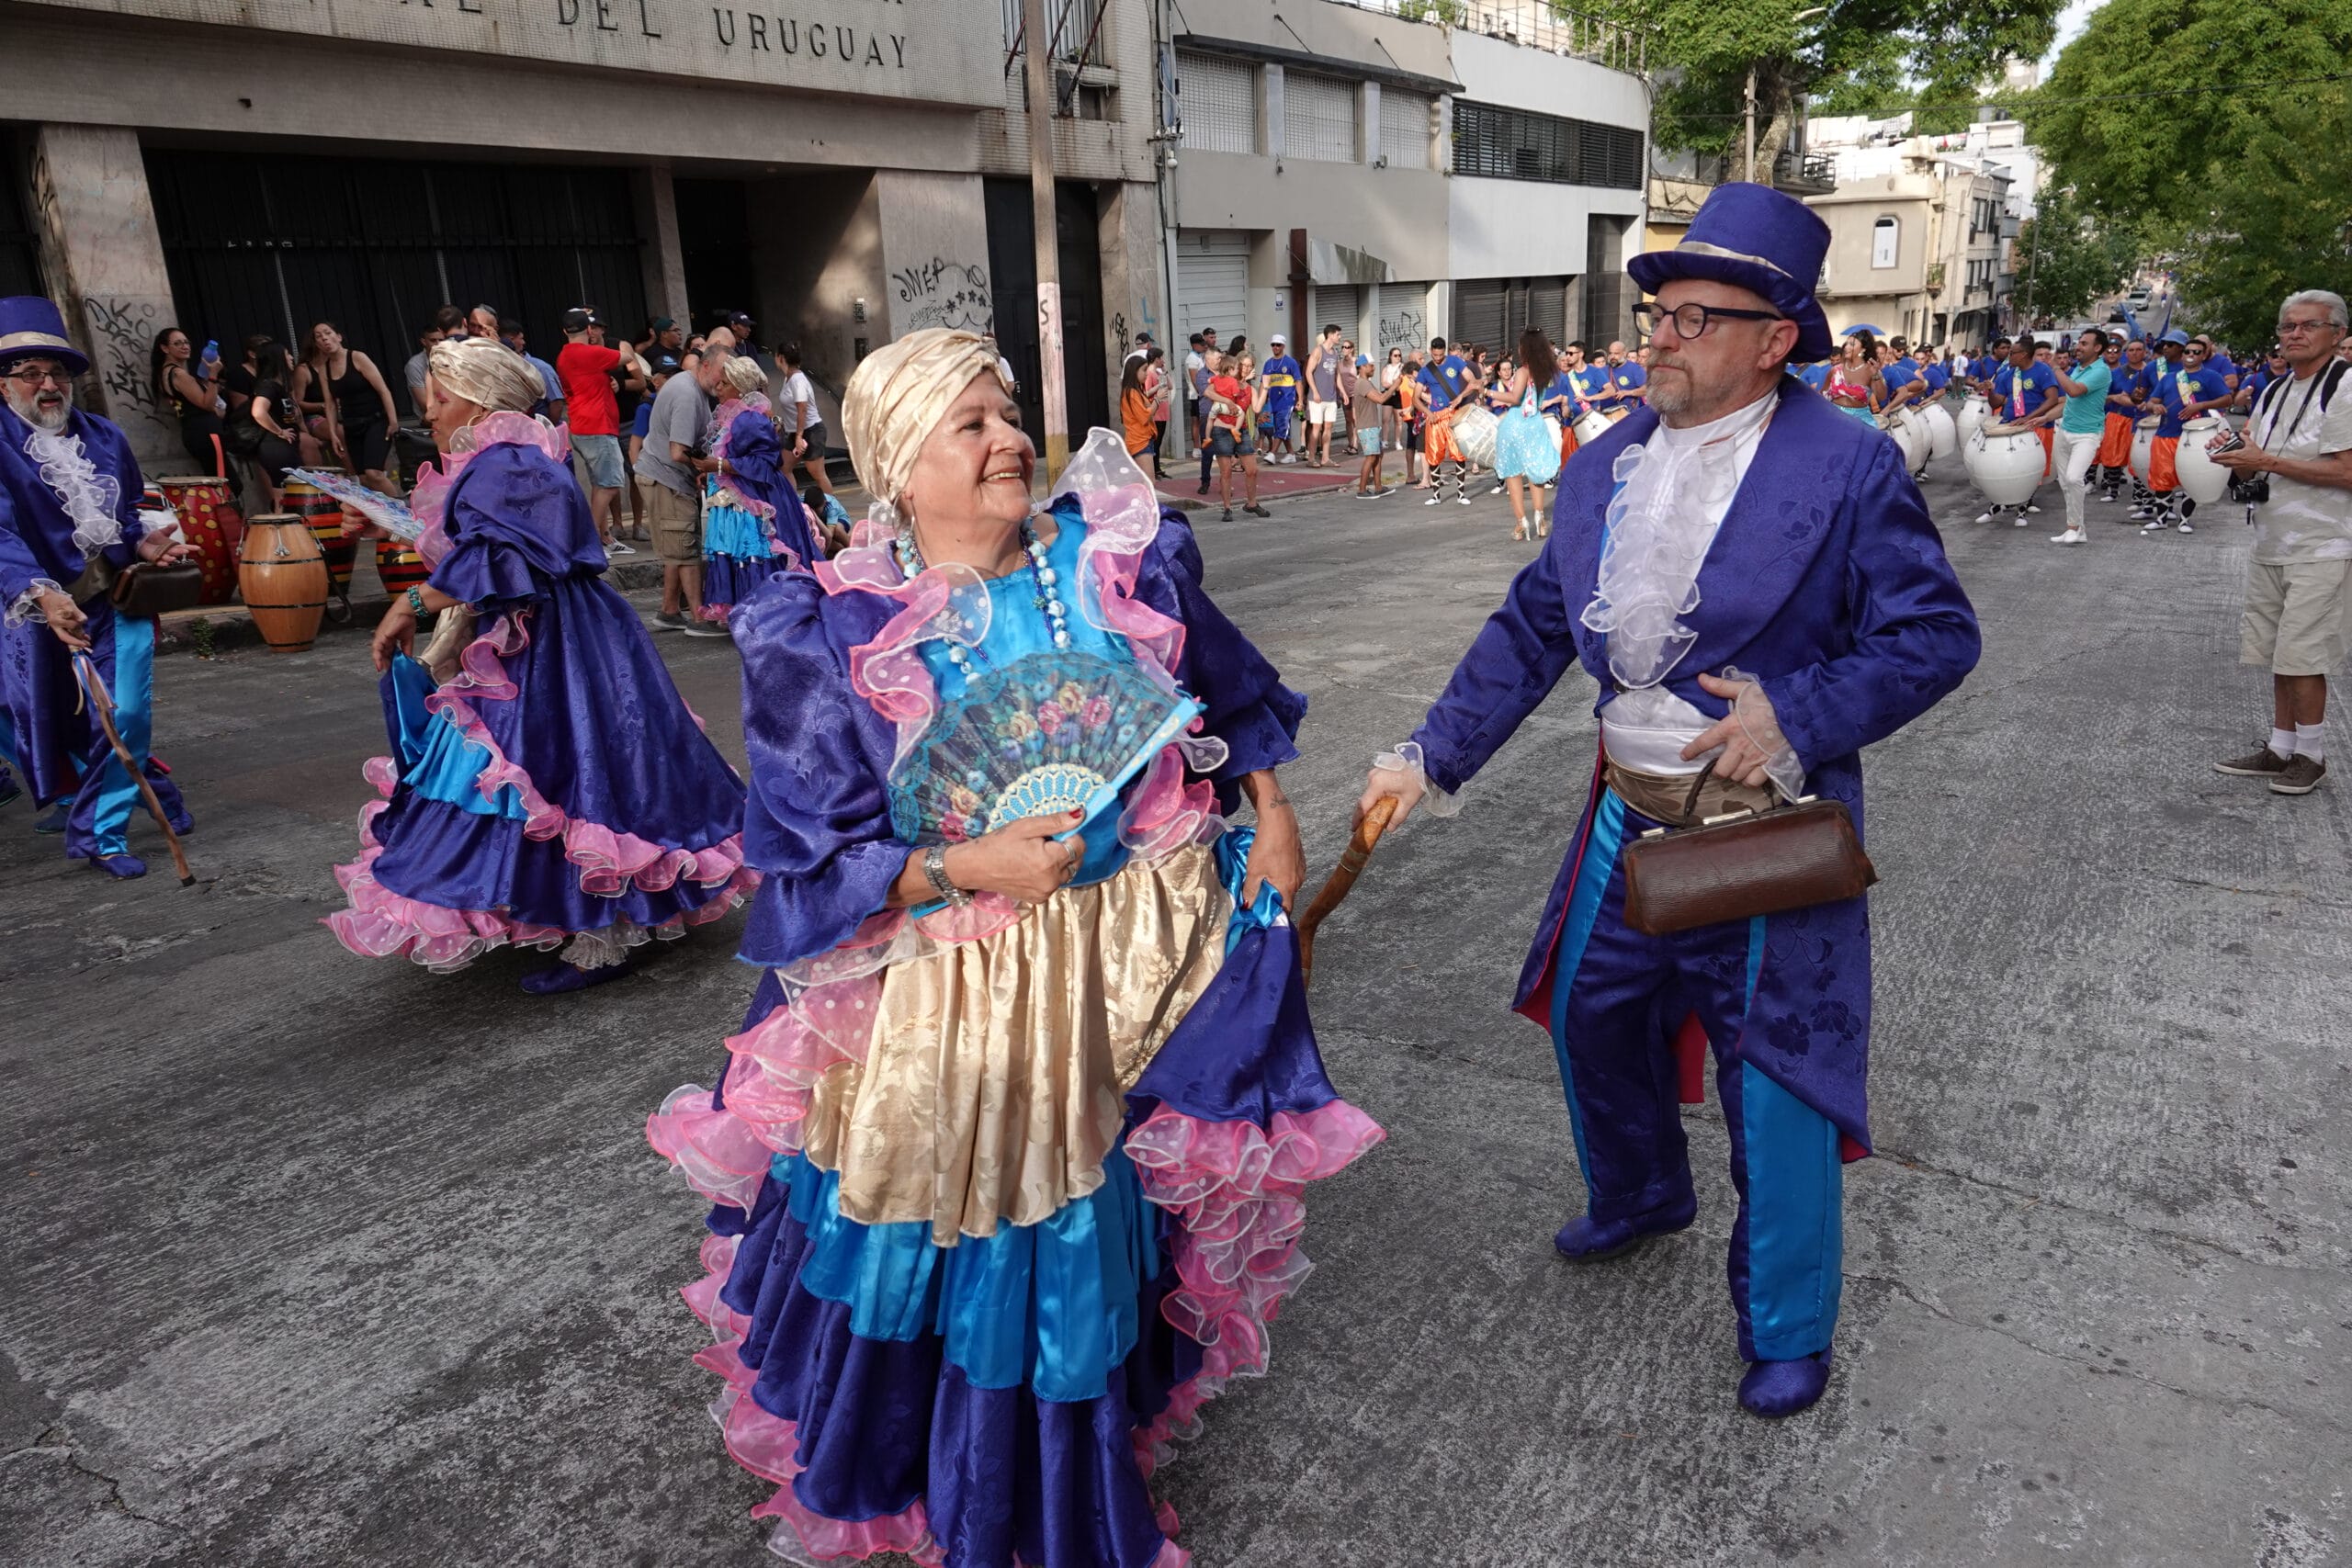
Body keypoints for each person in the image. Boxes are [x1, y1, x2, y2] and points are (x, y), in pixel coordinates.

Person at [643, 327, 1377, 1566]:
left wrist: (1276, 815)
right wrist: (964, 866)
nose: (1010, 441)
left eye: (1009, 414)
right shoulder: (830, 631)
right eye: (971, 424)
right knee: (991, 1221)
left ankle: (1092, 1430)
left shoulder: (1115, 559)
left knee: (1116, 1201)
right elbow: (812, 862)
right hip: (954, 989)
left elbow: (1227, 697)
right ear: (899, 466)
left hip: (1136, 956)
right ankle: (989, 1482)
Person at [1356, 185, 1981, 1419]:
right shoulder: (1602, 464)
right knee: (1589, 1014)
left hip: (1762, 831)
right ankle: (1642, 1191)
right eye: (1657, 314)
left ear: (1775, 339)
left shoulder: (1847, 465)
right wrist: (1430, 753)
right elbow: (1535, 625)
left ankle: (1786, 1323)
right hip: (1625, 812)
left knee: (1775, 1080)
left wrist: (1795, 713)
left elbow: (1935, 636)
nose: (1661, 337)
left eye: (1697, 318)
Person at [328, 335, 753, 988]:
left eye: (440, 398)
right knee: (577, 772)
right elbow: (493, 552)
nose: (429, 412)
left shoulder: (509, 463)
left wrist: (410, 602)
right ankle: (583, 915)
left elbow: (509, 560)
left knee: (572, 775)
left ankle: (600, 933)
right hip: (549, 632)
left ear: (480, 402)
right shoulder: (512, 458)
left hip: (555, 641)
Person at [0, 295, 199, 878]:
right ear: (3, 383)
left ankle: (99, 834)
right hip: (35, 609)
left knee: (125, 711)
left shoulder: (106, 436)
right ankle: (157, 793)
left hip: (118, 600)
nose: (48, 385)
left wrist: (148, 545)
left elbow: (129, 513)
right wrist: (42, 592)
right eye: (30, 372)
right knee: (62, 721)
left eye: (58, 372)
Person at [2211, 291, 2352, 795]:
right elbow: (2256, 463)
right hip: (2272, 540)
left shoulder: (2345, 386)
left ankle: (2310, 756)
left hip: (2323, 545)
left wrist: (2266, 462)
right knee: (2277, 653)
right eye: (2287, 326)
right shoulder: (2274, 389)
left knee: (2303, 655)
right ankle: (2280, 747)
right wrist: (2234, 456)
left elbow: (2347, 471)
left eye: (2308, 325)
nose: (2294, 334)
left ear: (2337, 334)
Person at [698, 354, 819, 627]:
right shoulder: (736, 417)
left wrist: (718, 464)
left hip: (752, 499)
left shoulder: (749, 419)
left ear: (741, 387)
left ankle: (762, 611)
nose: (718, 388)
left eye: (724, 383)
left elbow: (765, 462)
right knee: (736, 551)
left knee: (754, 549)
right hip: (733, 499)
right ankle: (745, 611)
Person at [635, 335, 727, 631]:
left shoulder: (693, 388)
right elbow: (678, 452)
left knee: (677, 546)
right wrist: (705, 467)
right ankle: (699, 617)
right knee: (686, 549)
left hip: (666, 475)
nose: (724, 381)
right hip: (666, 476)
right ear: (706, 365)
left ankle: (669, 610)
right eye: (722, 373)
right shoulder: (687, 394)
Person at [555, 307, 633, 556]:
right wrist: (618, 344)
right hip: (598, 426)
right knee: (609, 485)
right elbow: (626, 357)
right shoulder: (591, 352)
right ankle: (591, 540)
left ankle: (604, 536)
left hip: (581, 425)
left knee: (600, 484)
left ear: (565, 331)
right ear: (589, 330)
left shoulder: (563, 356)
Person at [300, 321, 403, 498]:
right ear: (317, 345)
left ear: (339, 337)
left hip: (375, 420)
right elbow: (330, 404)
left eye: (328, 333)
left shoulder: (357, 357)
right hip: (352, 425)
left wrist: (393, 420)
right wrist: (333, 433)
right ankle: (384, 511)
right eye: (319, 336)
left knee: (374, 473)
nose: (324, 338)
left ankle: (403, 508)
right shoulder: (324, 369)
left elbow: (383, 390)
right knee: (363, 478)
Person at [2142, 335, 2231, 536]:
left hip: (2194, 435)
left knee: (2190, 478)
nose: (2191, 355)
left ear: (2203, 355)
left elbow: (2227, 399)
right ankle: (2161, 519)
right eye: (2187, 352)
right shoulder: (2169, 378)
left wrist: (2201, 405)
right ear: (2182, 355)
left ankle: (2184, 520)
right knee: (2162, 478)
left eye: (2196, 352)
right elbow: (2151, 401)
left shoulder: (2211, 376)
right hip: (2166, 434)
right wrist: (2155, 407)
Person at [1492, 328, 1564, 539]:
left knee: (1513, 473)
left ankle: (1521, 522)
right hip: (1536, 423)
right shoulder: (1546, 371)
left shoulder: (1523, 372)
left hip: (1516, 423)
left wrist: (1487, 391)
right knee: (1536, 471)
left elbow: (1515, 398)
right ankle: (1540, 517)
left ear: (1524, 348)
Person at [1979, 339, 2060, 525]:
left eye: (2012, 353)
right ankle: (1996, 506)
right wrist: (1991, 391)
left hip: (2035, 426)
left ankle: (2021, 512)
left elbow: (2052, 399)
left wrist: (2029, 418)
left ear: (2023, 355)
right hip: (2011, 424)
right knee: (2004, 469)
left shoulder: (2043, 371)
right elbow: (1996, 402)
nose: (2009, 357)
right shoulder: (2007, 375)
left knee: (2026, 471)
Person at [2048, 326, 2113, 546]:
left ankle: (2074, 528)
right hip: (2066, 430)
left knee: (2074, 478)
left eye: (2084, 343)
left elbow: (2074, 391)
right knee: (2066, 483)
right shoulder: (2079, 368)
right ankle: (2077, 529)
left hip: (2087, 434)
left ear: (2097, 348)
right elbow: (2070, 402)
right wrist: (2044, 417)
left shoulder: (2101, 371)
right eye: (2079, 342)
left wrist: (2056, 368)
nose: (2078, 347)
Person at [152, 327, 227, 479]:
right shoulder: (179, 374)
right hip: (206, 433)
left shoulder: (165, 373)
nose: (185, 346)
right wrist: (213, 374)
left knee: (219, 479)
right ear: (165, 348)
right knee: (225, 482)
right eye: (177, 343)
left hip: (196, 431)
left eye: (186, 342)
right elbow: (206, 404)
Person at [1204, 350, 1269, 520]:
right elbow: (1208, 392)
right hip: (1222, 429)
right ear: (1236, 365)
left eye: (1250, 366)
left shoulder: (1250, 389)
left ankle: (1252, 503)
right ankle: (1227, 508)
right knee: (1226, 471)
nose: (1246, 369)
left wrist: (1266, 387)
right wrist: (1227, 401)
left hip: (1241, 429)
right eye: (1243, 365)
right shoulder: (1225, 380)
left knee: (1252, 470)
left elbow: (1256, 408)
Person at [1419, 335, 1479, 505]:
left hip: (1454, 414)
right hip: (1435, 417)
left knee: (1459, 454)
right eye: (1434, 355)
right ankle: (1436, 496)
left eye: (1440, 355)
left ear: (1444, 351)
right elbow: (1415, 398)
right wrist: (1427, 412)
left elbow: (1473, 382)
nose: (1437, 358)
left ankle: (1461, 495)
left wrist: (1461, 396)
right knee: (1434, 455)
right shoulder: (1426, 370)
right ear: (1430, 351)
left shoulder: (1455, 362)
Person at [775, 343, 836, 506]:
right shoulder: (788, 378)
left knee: (817, 473)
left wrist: (799, 436)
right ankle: (793, 505)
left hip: (810, 431)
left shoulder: (798, 380)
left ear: (780, 358)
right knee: (784, 467)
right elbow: (790, 408)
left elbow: (802, 408)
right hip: (795, 431)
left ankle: (832, 510)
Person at [1350, 347, 1396, 499]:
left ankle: (1378, 487)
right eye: (1371, 365)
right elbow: (1381, 399)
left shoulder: (1366, 383)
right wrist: (1395, 385)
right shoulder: (1362, 383)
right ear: (1363, 367)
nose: (1374, 368)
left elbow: (1380, 395)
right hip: (1367, 426)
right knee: (1371, 457)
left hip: (1372, 425)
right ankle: (1362, 490)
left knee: (1377, 456)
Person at [405, 308, 464, 422]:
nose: (437, 344)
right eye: (433, 340)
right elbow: (424, 404)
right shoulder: (414, 365)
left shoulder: (454, 356)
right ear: (424, 342)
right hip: (432, 418)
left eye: (441, 340)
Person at [1304, 323, 1343, 468]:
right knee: (1316, 428)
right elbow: (1308, 372)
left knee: (1328, 428)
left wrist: (1342, 392)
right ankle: (1311, 458)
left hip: (1331, 396)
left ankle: (1325, 458)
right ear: (1330, 335)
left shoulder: (1335, 353)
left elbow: (1337, 374)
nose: (1339, 337)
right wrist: (1315, 391)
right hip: (1317, 398)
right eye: (1338, 334)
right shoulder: (1318, 351)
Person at [1260, 332, 1301, 462]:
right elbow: (1263, 383)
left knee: (1282, 425)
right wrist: (1261, 400)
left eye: (1278, 345)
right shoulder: (1268, 364)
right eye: (1273, 345)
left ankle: (1272, 453)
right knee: (1281, 426)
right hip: (1274, 401)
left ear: (1283, 346)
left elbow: (1298, 381)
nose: (1275, 347)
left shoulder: (1291, 363)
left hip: (1287, 400)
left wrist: (1300, 400)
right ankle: (1291, 454)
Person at [1826, 332, 1879, 423]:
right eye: (1846, 344)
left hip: (1861, 419)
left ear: (1863, 349)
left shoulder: (1871, 370)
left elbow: (1880, 396)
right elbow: (1823, 393)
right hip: (1835, 417)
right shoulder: (1835, 370)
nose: (1847, 347)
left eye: (1852, 345)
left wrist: (1876, 376)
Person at [1118, 353, 1157, 466]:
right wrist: (1157, 400)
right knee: (1148, 477)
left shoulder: (1136, 391)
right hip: (1139, 441)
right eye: (1144, 370)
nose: (1147, 373)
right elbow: (1145, 417)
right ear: (1134, 371)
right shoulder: (1132, 393)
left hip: (1143, 439)